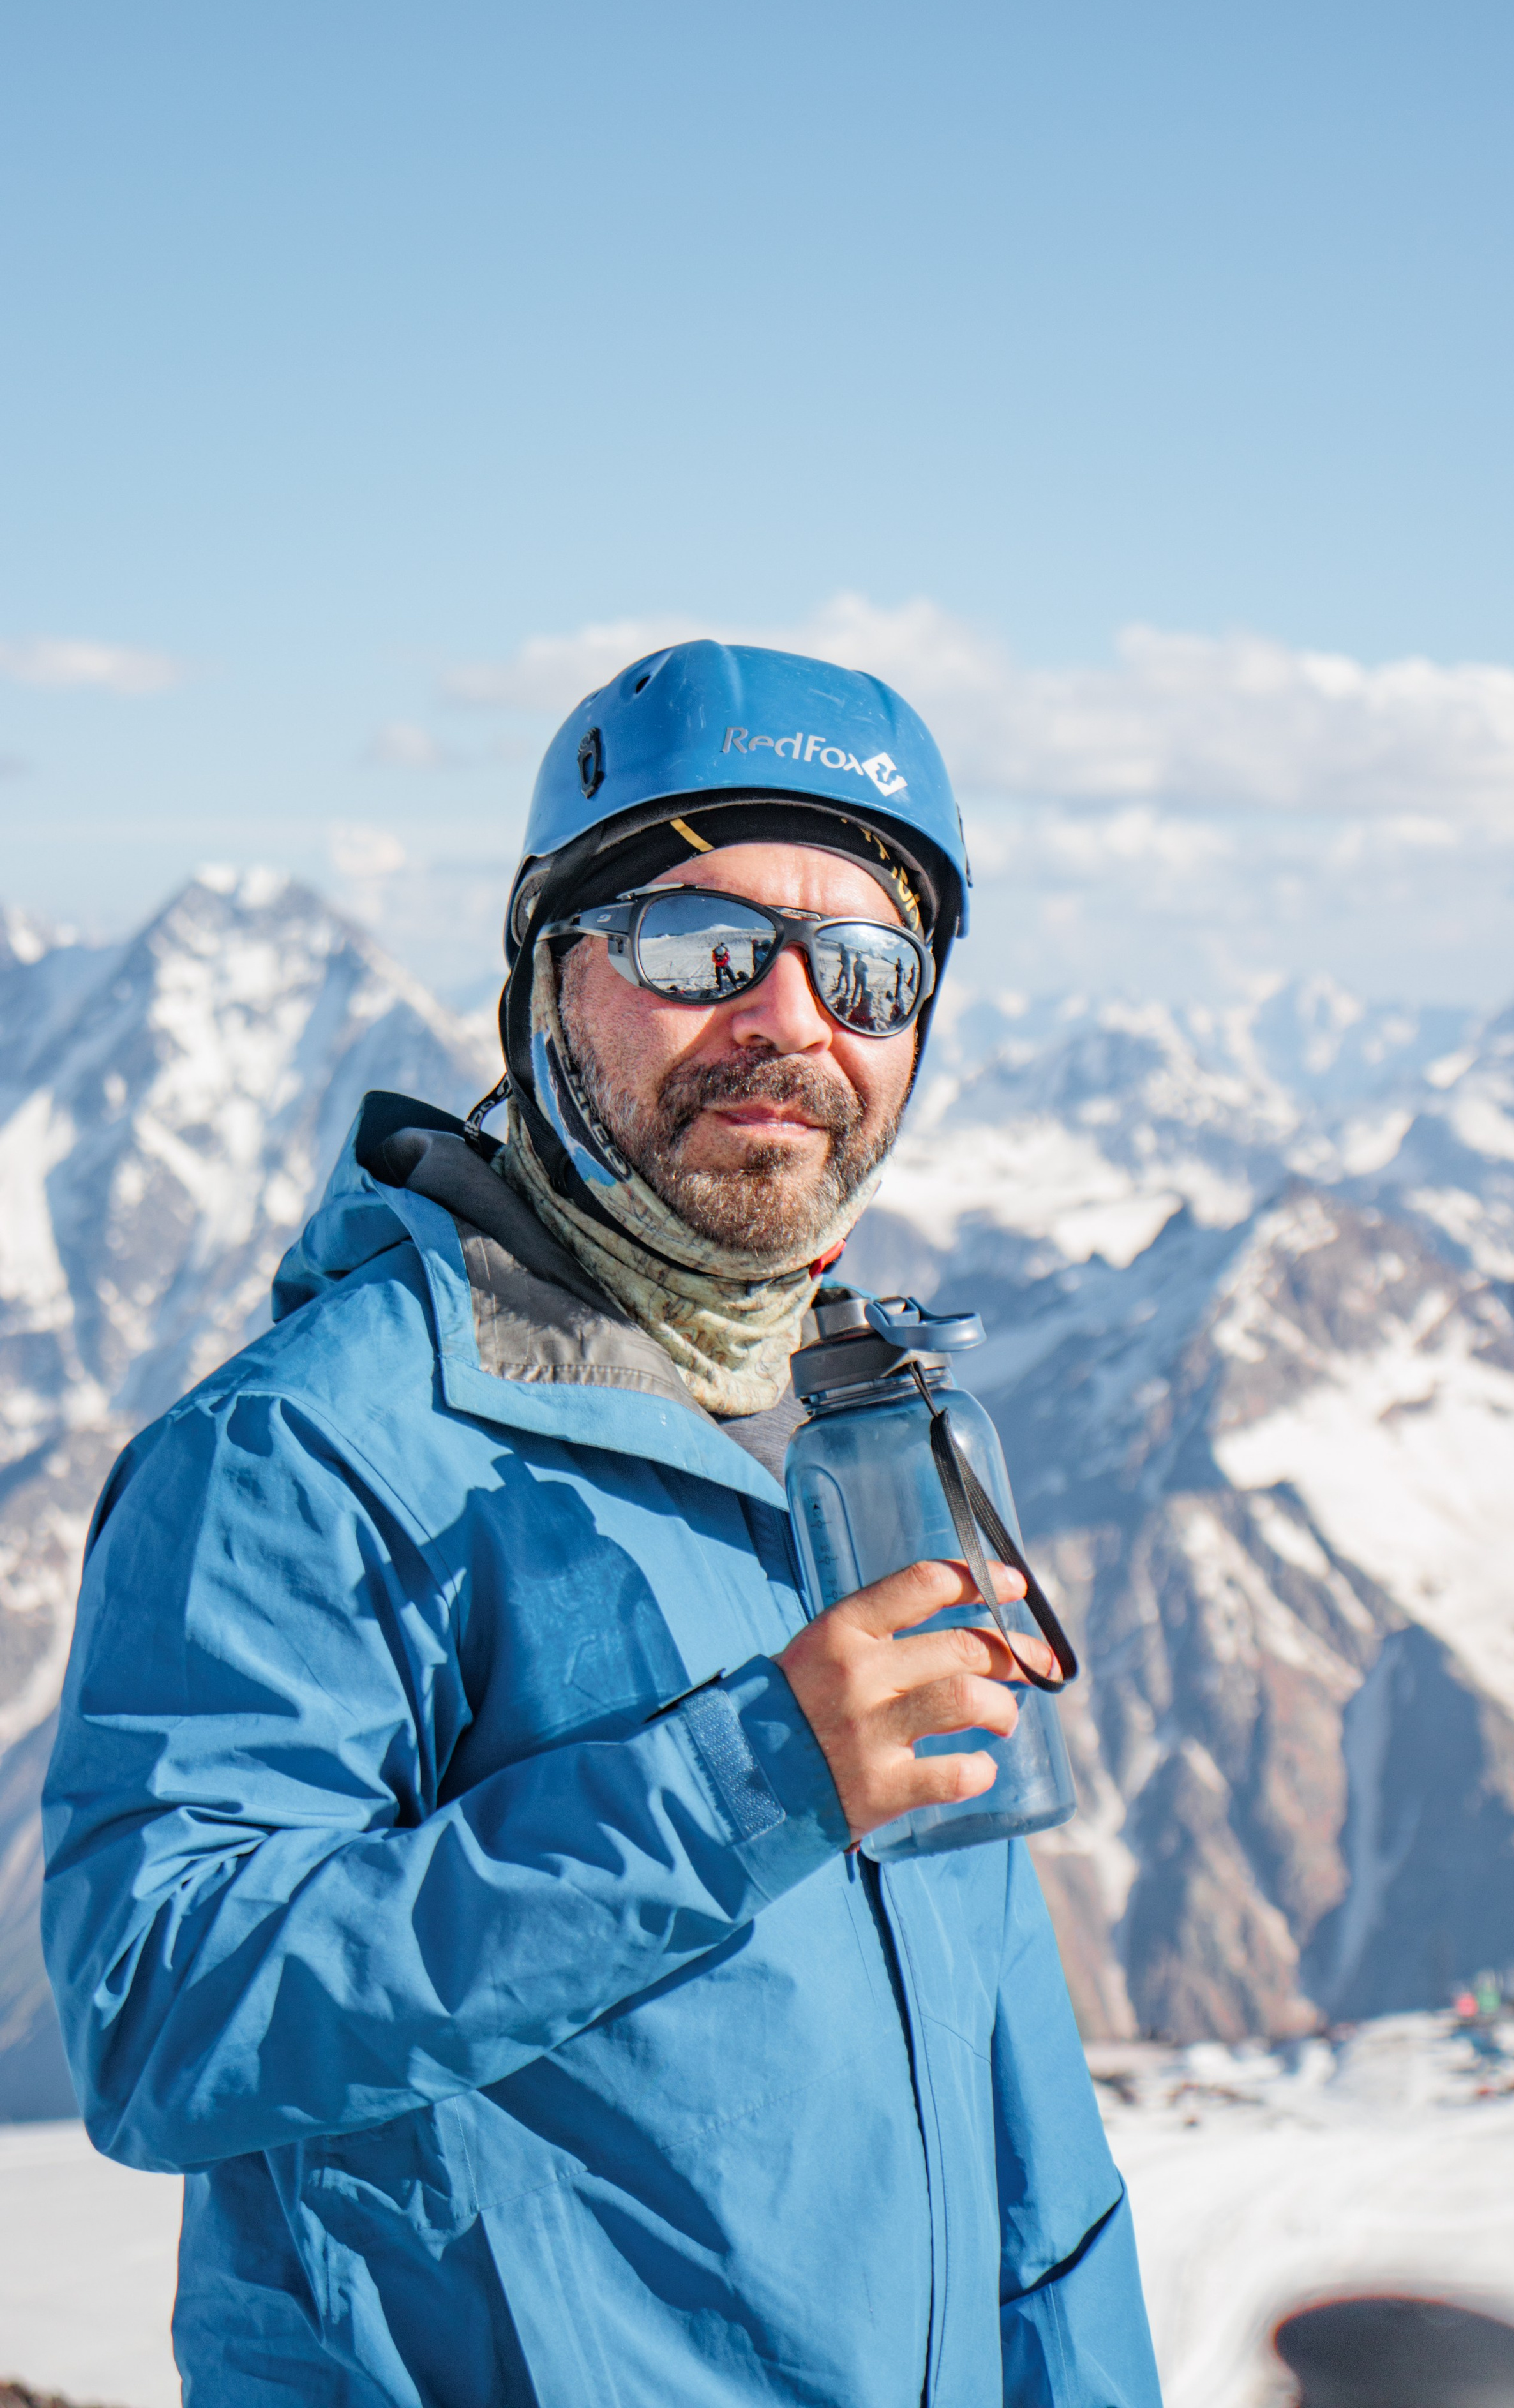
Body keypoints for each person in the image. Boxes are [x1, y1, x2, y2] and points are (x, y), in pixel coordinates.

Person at [42, 642, 1160, 2407]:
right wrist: (751, 1780)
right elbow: (163, 2012)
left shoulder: (881, 1428)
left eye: (870, 972)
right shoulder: (303, 1452)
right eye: (703, 948)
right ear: (552, 977)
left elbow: (1013, 2096)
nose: (792, 1023)